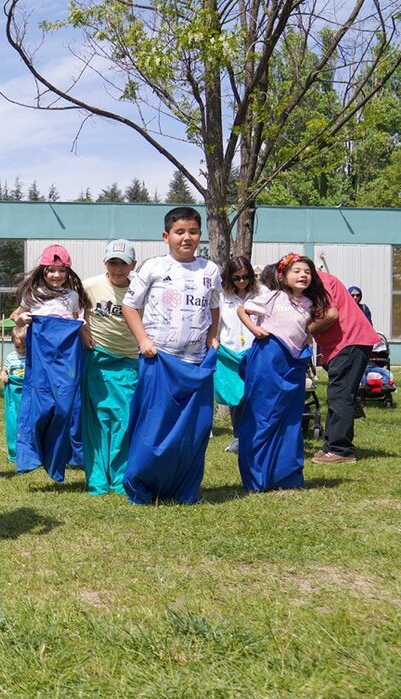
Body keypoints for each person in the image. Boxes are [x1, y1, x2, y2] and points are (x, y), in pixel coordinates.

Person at [120, 206, 221, 504]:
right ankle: (142, 486)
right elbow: (130, 306)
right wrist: (143, 340)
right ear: (166, 236)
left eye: (193, 232)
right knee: (154, 428)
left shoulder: (210, 270)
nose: (186, 238)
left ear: (200, 235)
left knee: (194, 431)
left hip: (196, 363)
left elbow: (214, 307)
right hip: (159, 360)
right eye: (179, 232)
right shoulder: (152, 267)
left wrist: (212, 336)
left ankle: (184, 489)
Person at [236, 253, 334, 490]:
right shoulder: (272, 298)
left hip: (293, 366)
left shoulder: (309, 304)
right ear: (282, 276)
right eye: (296, 271)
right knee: (263, 416)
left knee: (289, 418)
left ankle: (285, 476)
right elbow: (242, 310)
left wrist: (307, 336)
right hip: (267, 361)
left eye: (307, 272)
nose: (303, 275)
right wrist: (255, 330)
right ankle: (257, 477)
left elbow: (307, 326)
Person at [10, 244, 89, 483]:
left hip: (66, 360)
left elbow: (78, 320)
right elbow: (16, 315)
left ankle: (60, 456)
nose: (57, 275)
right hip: (41, 360)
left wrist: (83, 329)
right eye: (51, 270)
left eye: (62, 270)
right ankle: (33, 454)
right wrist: (21, 319)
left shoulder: (72, 296)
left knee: (65, 408)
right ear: (43, 270)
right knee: (42, 405)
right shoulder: (33, 294)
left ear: (68, 272)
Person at [80, 239, 140, 495]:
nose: (118, 269)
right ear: (105, 263)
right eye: (113, 262)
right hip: (97, 360)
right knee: (97, 421)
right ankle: (97, 481)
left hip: (128, 361)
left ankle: (119, 479)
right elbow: (70, 310)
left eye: (123, 264)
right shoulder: (89, 286)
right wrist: (82, 329)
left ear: (133, 265)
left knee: (123, 420)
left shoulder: (139, 290)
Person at [310, 270, 378, 464]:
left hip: (349, 341)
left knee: (341, 395)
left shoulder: (319, 282)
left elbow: (330, 315)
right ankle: (331, 446)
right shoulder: (316, 281)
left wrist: (304, 331)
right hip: (342, 344)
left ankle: (341, 450)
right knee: (337, 394)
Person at [216, 257, 258, 453]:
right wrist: (214, 341)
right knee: (236, 397)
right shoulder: (222, 297)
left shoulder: (261, 294)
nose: (241, 281)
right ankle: (239, 437)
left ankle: (257, 436)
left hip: (255, 352)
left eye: (245, 276)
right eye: (236, 278)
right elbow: (216, 323)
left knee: (255, 396)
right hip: (230, 352)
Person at [0, 324, 28, 463]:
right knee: (13, 419)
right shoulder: (11, 357)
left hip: (27, 391)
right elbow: (4, 370)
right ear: (12, 343)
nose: (21, 350)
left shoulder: (32, 356)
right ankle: (15, 451)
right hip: (14, 392)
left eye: (24, 347)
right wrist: (3, 375)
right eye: (18, 347)